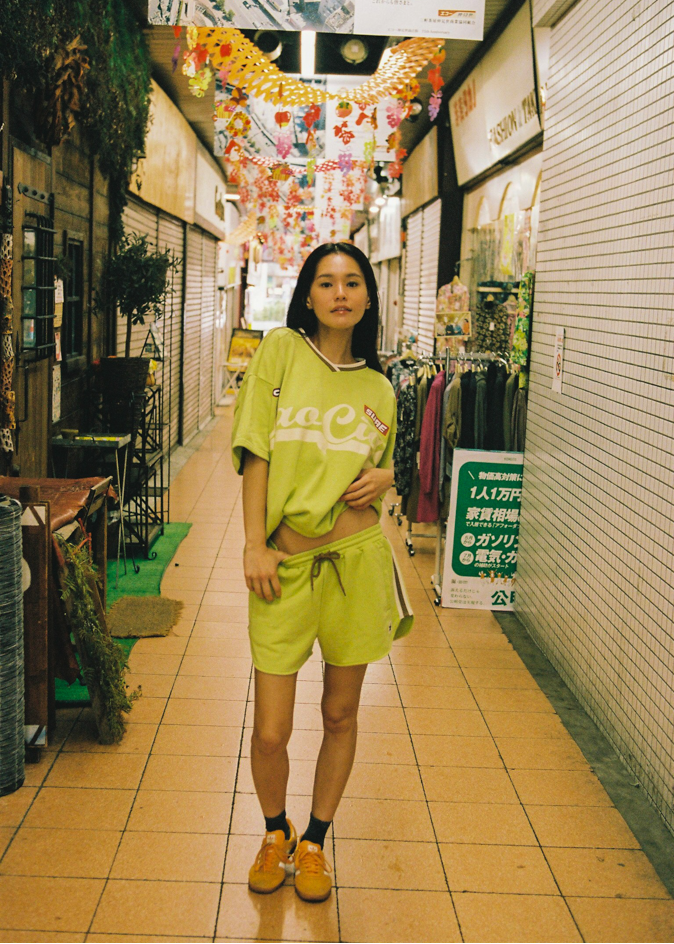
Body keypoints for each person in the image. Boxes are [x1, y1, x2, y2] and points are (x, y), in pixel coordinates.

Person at [231, 241, 413, 903]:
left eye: (353, 282)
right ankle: (274, 830)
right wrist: (254, 544)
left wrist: (389, 476)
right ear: (307, 295)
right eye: (327, 282)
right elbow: (256, 450)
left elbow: (382, 469)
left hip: (357, 564)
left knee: (340, 714)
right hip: (284, 565)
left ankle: (313, 842)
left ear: (368, 297)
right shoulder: (281, 352)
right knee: (270, 730)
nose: (341, 293)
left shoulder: (380, 388)